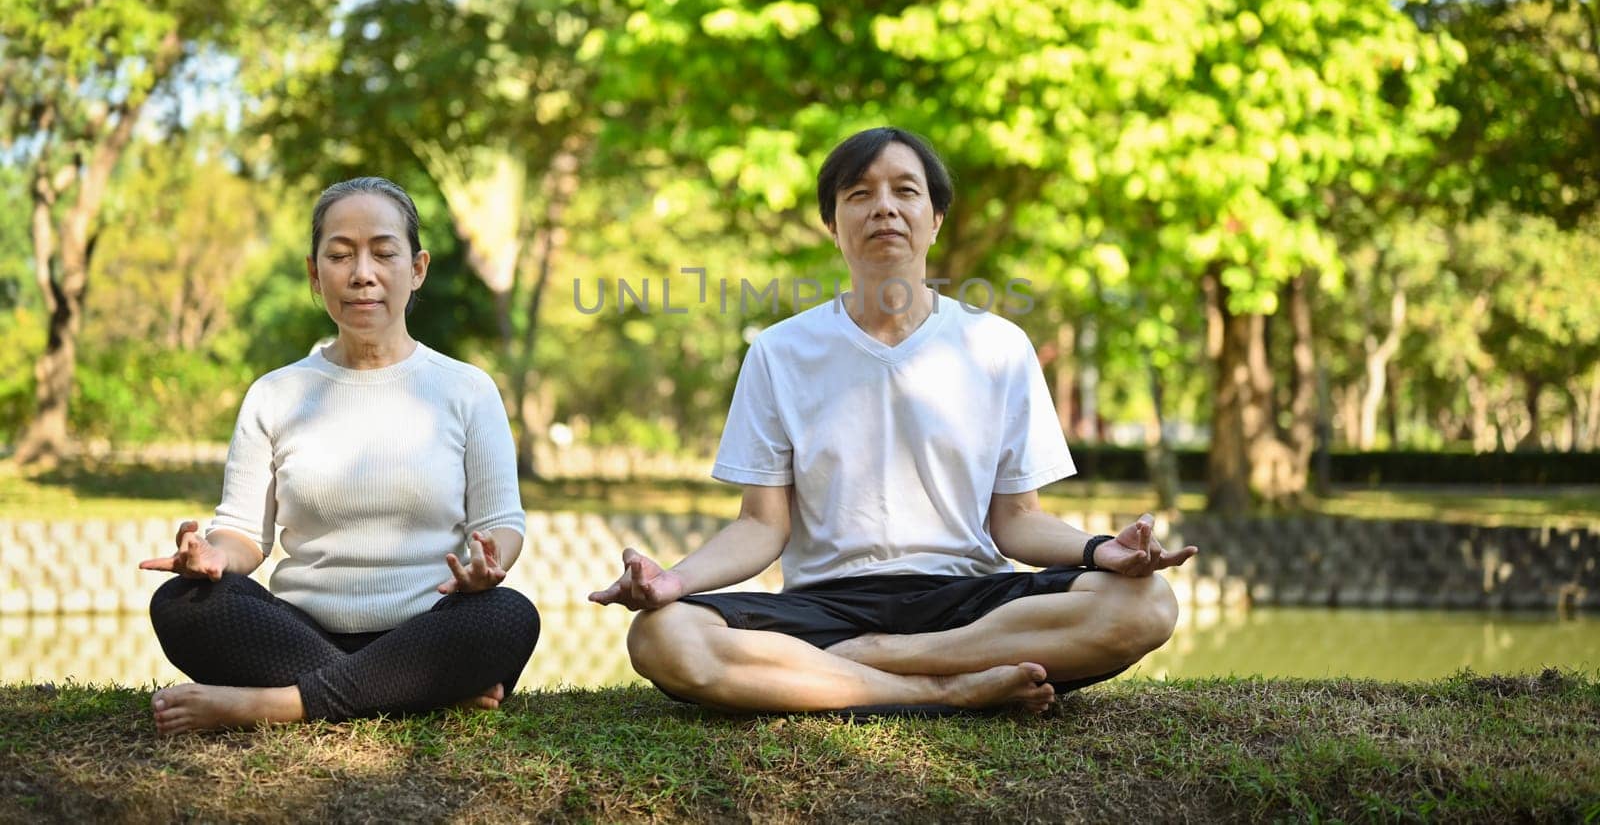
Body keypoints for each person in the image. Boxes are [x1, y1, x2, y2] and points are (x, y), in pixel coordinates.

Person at [591, 128, 1196, 713]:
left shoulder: (997, 346)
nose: (884, 208)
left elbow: (1018, 522)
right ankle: (940, 691)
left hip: (971, 603)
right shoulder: (779, 353)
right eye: (860, 194)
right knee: (661, 636)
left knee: (1145, 606)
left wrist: (1097, 552)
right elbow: (759, 527)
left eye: (906, 191)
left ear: (935, 219)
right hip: (828, 608)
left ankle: (886, 661)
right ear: (833, 224)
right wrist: (672, 582)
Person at [140, 176, 540, 735]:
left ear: (417, 268)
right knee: (182, 602)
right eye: (340, 255)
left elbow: (501, 524)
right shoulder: (274, 394)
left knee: (508, 615)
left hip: (428, 629)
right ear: (314, 272)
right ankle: (417, 696)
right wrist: (210, 556)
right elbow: (243, 535)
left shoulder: (468, 390)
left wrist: (488, 563)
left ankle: (268, 705)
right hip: (297, 632)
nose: (362, 274)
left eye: (383, 253)